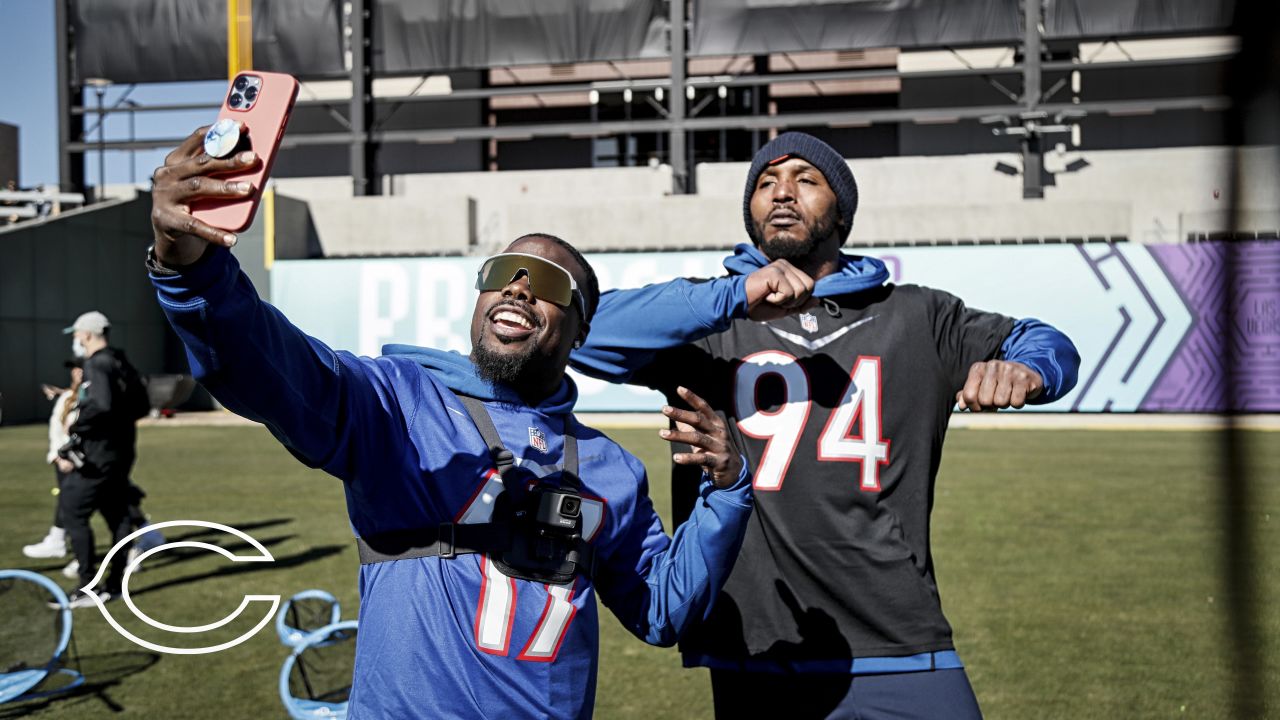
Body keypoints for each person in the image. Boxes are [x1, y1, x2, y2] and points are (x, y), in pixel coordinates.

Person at [145, 127, 755, 719]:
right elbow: (272, 369)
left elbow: (661, 610)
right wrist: (191, 271)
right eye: (500, 273)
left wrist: (726, 493)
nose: (517, 288)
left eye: (546, 282)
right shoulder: (398, 404)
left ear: (581, 330)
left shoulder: (610, 468)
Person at [571, 132, 1082, 719]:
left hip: (901, 637)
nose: (782, 193)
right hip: (760, 644)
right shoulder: (708, 319)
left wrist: (1028, 370)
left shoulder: (917, 315)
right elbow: (581, 331)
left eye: (806, 180)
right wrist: (731, 295)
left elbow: (1045, 340)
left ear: (842, 210)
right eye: (766, 183)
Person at [58, 310, 152, 607]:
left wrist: (77, 427)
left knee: (73, 510)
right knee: (118, 516)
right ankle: (114, 583)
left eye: (76, 334)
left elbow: (101, 405)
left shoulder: (98, 363)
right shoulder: (120, 360)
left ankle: (88, 586)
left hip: (99, 455)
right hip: (122, 451)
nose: (75, 340)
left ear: (86, 334)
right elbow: (141, 405)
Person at [22, 360, 84, 564]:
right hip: (63, 458)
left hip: (77, 460)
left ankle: (82, 558)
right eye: (74, 369)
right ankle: (60, 542)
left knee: (103, 503)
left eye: (80, 368)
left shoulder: (91, 394)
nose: (76, 372)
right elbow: (57, 429)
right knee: (71, 501)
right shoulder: (68, 395)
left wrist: (69, 456)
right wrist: (58, 456)